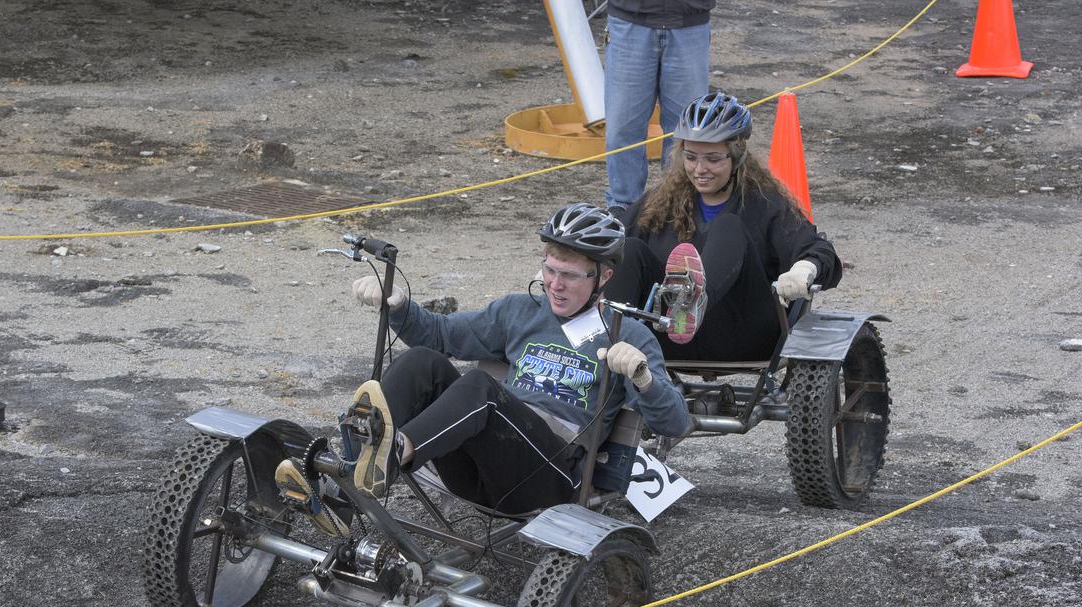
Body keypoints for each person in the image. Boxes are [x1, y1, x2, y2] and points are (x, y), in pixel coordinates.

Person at [277, 204, 691, 524]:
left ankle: (387, 457)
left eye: (570, 275)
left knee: (481, 388)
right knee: (424, 361)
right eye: (549, 269)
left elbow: (675, 424)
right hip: (481, 466)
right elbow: (440, 334)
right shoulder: (520, 311)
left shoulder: (629, 334)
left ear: (603, 278)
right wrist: (400, 308)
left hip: (548, 478)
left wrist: (643, 378)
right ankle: (343, 476)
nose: (555, 284)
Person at [603, 91, 843, 363]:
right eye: (691, 157)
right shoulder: (662, 201)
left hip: (741, 334)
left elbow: (818, 249)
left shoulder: (764, 203)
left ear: (736, 156)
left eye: (714, 159)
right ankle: (607, 340)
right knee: (629, 248)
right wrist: (571, 261)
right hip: (668, 334)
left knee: (727, 227)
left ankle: (694, 301)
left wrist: (804, 269)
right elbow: (612, 235)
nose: (699, 169)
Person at [603, 0, 714, 219]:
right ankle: (623, 209)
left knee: (687, 130)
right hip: (629, 22)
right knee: (622, 128)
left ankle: (679, 204)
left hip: (690, 24)